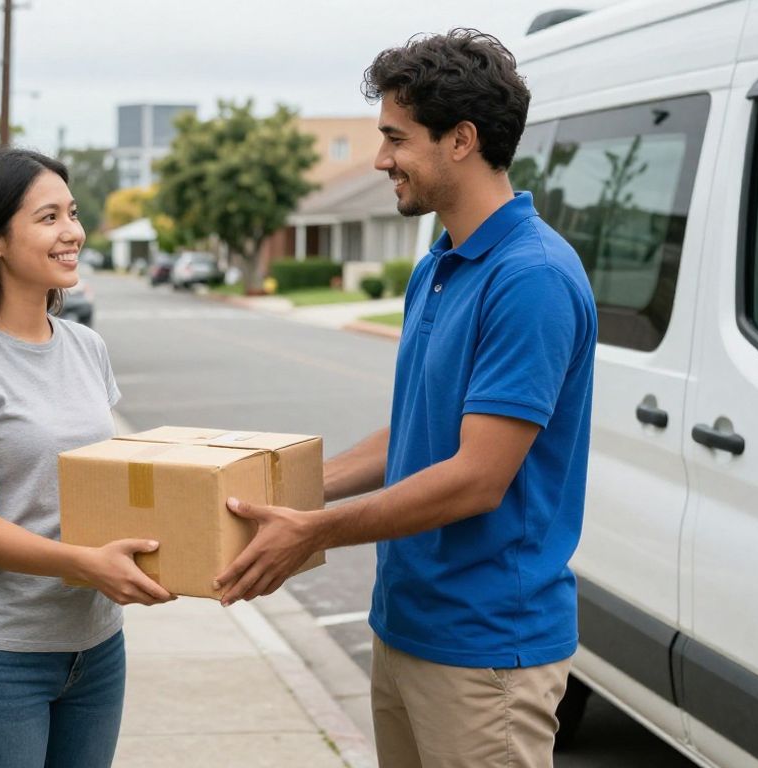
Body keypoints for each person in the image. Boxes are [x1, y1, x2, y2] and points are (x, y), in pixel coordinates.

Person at [213, 29, 598, 768]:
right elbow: (415, 436)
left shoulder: (531, 278)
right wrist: (283, 490)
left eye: (396, 138)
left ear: (461, 140)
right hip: (407, 629)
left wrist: (314, 532)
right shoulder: (439, 266)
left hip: (486, 653)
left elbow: (478, 478)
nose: (382, 158)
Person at [0, 147, 175, 768]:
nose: (72, 233)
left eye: (73, 214)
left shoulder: (86, 347)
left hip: (96, 647)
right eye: (48, 217)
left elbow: (102, 485)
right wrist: (88, 562)